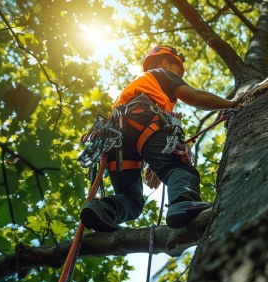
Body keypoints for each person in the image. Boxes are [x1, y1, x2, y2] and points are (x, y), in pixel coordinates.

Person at [80, 45, 238, 232]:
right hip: (146, 123)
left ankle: (103, 210)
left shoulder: (139, 86)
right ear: (165, 62)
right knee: (178, 168)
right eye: (177, 71)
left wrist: (154, 164)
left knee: (131, 199)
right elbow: (195, 96)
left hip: (116, 141)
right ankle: (183, 203)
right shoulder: (162, 74)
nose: (179, 77)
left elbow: (134, 134)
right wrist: (231, 104)